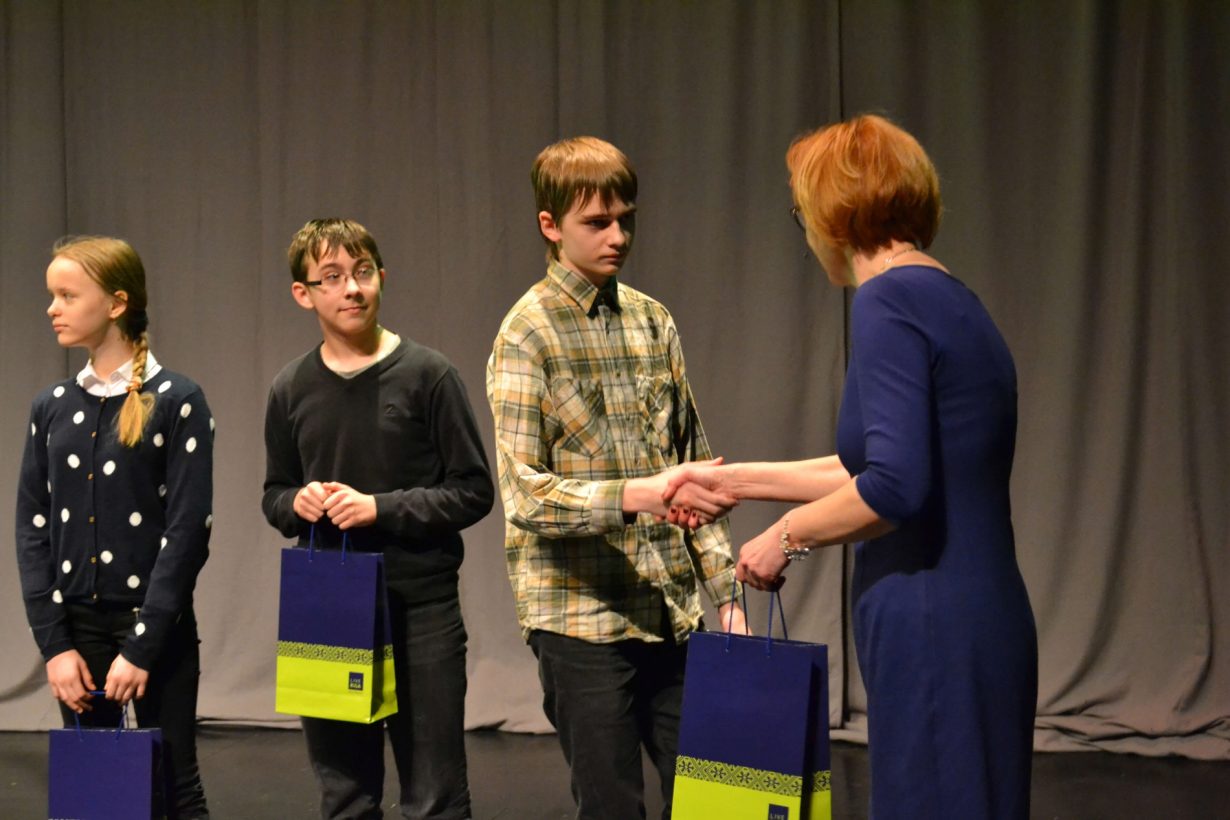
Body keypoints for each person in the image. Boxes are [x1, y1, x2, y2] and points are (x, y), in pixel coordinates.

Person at [665, 115, 1038, 819]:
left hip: (930, 619)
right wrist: (731, 482)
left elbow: (893, 486)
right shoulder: (952, 299)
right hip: (977, 616)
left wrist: (783, 538)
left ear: (832, 214)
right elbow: (869, 464)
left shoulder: (886, 300)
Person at [486, 136, 745, 820]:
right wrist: (638, 495)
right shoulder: (526, 335)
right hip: (580, 619)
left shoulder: (652, 321)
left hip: (670, 611)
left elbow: (695, 467)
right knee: (612, 808)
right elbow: (526, 495)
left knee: (719, 801)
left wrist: (728, 598)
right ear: (550, 225)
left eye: (625, 219)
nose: (618, 237)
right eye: (597, 223)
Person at [262, 218, 493, 820]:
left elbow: (473, 492)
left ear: (381, 277)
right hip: (331, 605)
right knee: (345, 795)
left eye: (362, 272)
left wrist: (379, 508)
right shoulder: (290, 388)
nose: (352, 288)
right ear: (304, 293)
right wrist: (296, 503)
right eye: (333, 277)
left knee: (436, 795)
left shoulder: (428, 375)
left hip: (420, 607)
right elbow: (274, 494)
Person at [16, 235, 214, 818]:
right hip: (76, 631)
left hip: (157, 626)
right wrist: (55, 647)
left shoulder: (177, 399)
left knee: (175, 788)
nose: (52, 308)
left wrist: (143, 646)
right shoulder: (51, 406)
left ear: (116, 303)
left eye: (67, 295)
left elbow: (187, 531)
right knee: (94, 794)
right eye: (52, 295)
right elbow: (32, 530)